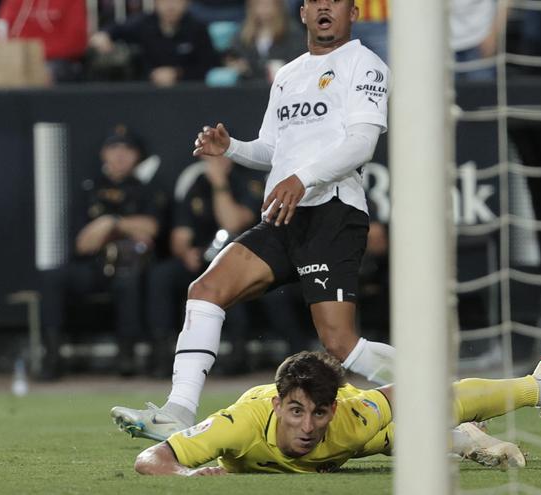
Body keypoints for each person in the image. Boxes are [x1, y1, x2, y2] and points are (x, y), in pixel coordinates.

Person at [111, 0, 398, 441]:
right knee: (205, 290)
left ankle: (437, 391)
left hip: (333, 211)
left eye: (335, 1)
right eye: (315, 1)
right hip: (283, 214)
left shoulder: (365, 64)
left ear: (352, 13)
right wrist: (231, 149)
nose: (325, 7)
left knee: (340, 344)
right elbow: (270, 149)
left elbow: (361, 144)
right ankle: (179, 410)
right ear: (302, 13)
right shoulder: (287, 74)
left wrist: (303, 179)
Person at [128, 351, 541, 475]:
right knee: (398, 442)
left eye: (317, 414)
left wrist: (534, 390)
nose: (307, 427)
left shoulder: (350, 416)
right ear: (276, 404)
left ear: (332, 408)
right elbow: (152, 460)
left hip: (358, 439)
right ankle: (464, 440)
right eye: (295, 412)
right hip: (354, 447)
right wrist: (187, 477)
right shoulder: (239, 424)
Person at [39, 126, 161, 379]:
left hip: (129, 266)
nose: (120, 155)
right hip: (92, 266)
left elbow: (151, 229)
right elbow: (83, 243)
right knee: (53, 277)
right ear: (104, 153)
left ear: (137, 155)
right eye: (114, 148)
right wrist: (127, 227)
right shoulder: (88, 188)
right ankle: (51, 355)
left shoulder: (146, 189)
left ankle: (126, 356)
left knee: (130, 282)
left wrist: (111, 223)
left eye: (127, 149)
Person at [145, 155, 265, 376]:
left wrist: (219, 185)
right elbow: (179, 236)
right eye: (209, 158)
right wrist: (186, 252)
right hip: (200, 259)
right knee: (162, 276)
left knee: (229, 282)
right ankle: (161, 355)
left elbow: (233, 222)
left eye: (219, 156)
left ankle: (237, 356)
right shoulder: (196, 184)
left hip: (236, 260)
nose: (214, 163)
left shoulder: (246, 183)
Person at [88, 0, 219, 86]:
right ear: (156, 3)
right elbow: (117, 28)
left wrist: (178, 73)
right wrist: (104, 34)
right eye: (165, 1)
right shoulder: (144, 23)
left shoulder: (197, 28)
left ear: (186, 3)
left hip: (189, 92)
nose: (170, 6)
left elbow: (209, 64)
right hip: (146, 90)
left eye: (176, 1)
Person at [223, 0, 305, 82]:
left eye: (268, 4)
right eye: (258, 4)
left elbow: (298, 61)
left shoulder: (293, 32)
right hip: (247, 87)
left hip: (283, 85)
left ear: (278, 6)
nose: (263, 9)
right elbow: (233, 55)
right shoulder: (243, 33)